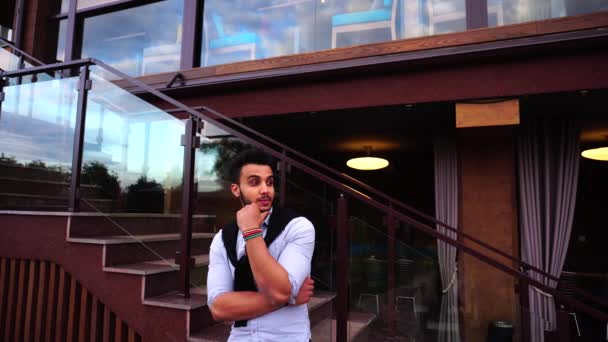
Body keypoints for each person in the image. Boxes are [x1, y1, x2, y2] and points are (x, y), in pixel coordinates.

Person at [206, 148, 316, 341]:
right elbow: (218, 308)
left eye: (270, 182)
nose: (265, 189)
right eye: (254, 182)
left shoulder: (297, 227)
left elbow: (279, 290)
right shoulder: (222, 240)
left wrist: (250, 230)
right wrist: (286, 299)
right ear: (235, 189)